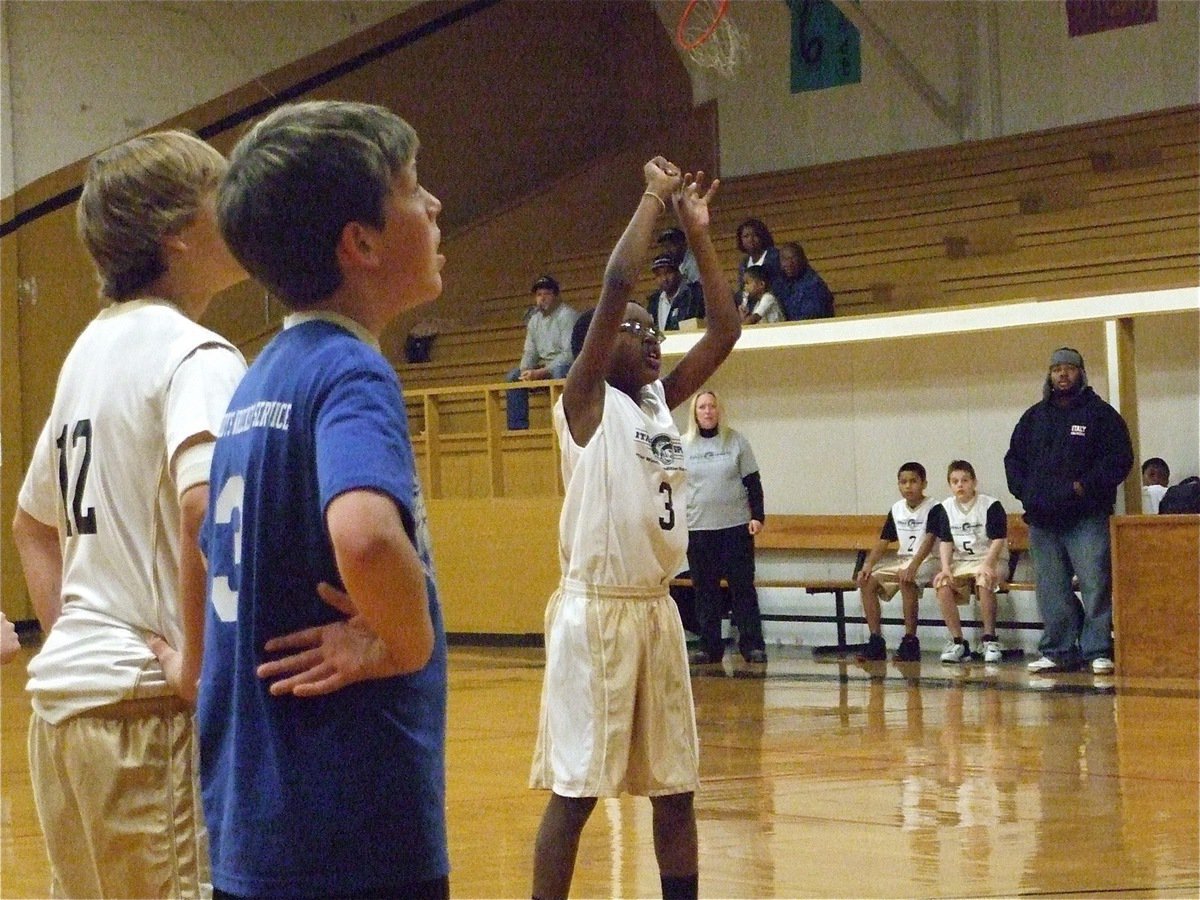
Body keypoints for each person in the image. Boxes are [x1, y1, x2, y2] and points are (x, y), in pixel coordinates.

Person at [199, 100, 449, 899]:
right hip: (353, 831)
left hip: (258, 825)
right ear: (361, 243)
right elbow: (367, 536)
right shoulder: (350, 371)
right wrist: (402, 642)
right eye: (413, 190)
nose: (434, 206)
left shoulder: (255, 381)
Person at [11, 130, 247, 898]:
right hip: (145, 714)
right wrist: (198, 670)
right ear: (177, 232)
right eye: (223, 192)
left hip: (65, 714)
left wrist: (76, 631)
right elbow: (208, 508)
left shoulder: (90, 350)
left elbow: (32, 522)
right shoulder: (198, 355)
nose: (239, 208)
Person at [529, 157, 740, 900]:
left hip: (656, 610)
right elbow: (618, 283)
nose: (651, 337)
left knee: (675, 789)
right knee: (577, 794)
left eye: (655, 328)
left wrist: (699, 234)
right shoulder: (585, 401)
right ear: (598, 346)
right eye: (634, 329)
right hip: (596, 613)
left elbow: (724, 328)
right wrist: (653, 197)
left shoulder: (656, 403)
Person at [1005, 347, 1133, 675]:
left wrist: (1083, 487)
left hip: (1085, 517)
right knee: (1051, 587)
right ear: (1049, 375)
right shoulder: (1033, 417)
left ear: (1081, 373)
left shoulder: (1100, 414)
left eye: (1070, 369)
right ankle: (1059, 649)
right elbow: (1014, 460)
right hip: (1043, 519)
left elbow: (1119, 459)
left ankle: (1098, 649)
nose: (1063, 375)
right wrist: (1026, 493)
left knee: (1095, 583)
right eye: (1056, 369)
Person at [682, 390, 768, 665]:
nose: (707, 411)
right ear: (695, 413)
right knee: (705, 591)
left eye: (712, 407)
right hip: (699, 529)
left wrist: (758, 516)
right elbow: (675, 488)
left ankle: (752, 645)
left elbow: (753, 482)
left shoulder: (736, 442)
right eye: (702, 407)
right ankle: (710, 647)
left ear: (719, 411)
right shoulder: (683, 445)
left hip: (735, 528)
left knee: (742, 589)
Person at [928, 460, 1008, 664]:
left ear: (974, 482)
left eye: (964, 480)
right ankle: (957, 642)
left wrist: (988, 564)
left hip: (990, 558)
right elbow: (945, 541)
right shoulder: (944, 508)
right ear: (950, 485)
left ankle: (989, 639)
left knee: (984, 579)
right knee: (942, 583)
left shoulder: (991, 505)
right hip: (961, 562)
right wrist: (945, 568)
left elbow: (999, 539)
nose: (960, 485)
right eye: (955, 481)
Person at [855, 462, 937, 662]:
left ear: (924, 483)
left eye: (913, 481)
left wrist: (913, 566)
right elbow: (884, 541)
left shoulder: (935, 507)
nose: (908, 486)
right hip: (904, 560)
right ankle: (876, 640)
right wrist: (867, 566)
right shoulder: (897, 509)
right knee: (867, 581)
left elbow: (929, 540)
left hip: (930, 560)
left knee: (906, 578)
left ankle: (910, 640)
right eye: (903, 482)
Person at [505, 274, 580, 430]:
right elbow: (530, 351)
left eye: (547, 294)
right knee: (513, 377)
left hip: (568, 366)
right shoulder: (534, 321)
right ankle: (518, 430)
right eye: (539, 295)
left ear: (556, 296)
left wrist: (542, 372)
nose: (542, 298)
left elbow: (569, 354)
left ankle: (565, 425)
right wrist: (526, 370)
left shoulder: (566, 316)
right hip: (544, 367)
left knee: (560, 371)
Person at [776, 241, 834, 320]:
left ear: (802, 259)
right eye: (784, 259)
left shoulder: (814, 284)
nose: (788, 263)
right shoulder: (781, 284)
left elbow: (811, 317)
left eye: (792, 258)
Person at [647, 253, 704, 332]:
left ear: (678, 273)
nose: (664, 279)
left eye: (668, 273)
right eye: (658, 275)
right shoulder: (653, 302)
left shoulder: (692, 296)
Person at [734, 217, 781, 298]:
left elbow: (778, 287)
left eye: (755, 235)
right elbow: (742, 289)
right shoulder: (744, 263)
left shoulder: (775, 257)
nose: (750, 239)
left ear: (762, 236)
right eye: (746, 236)